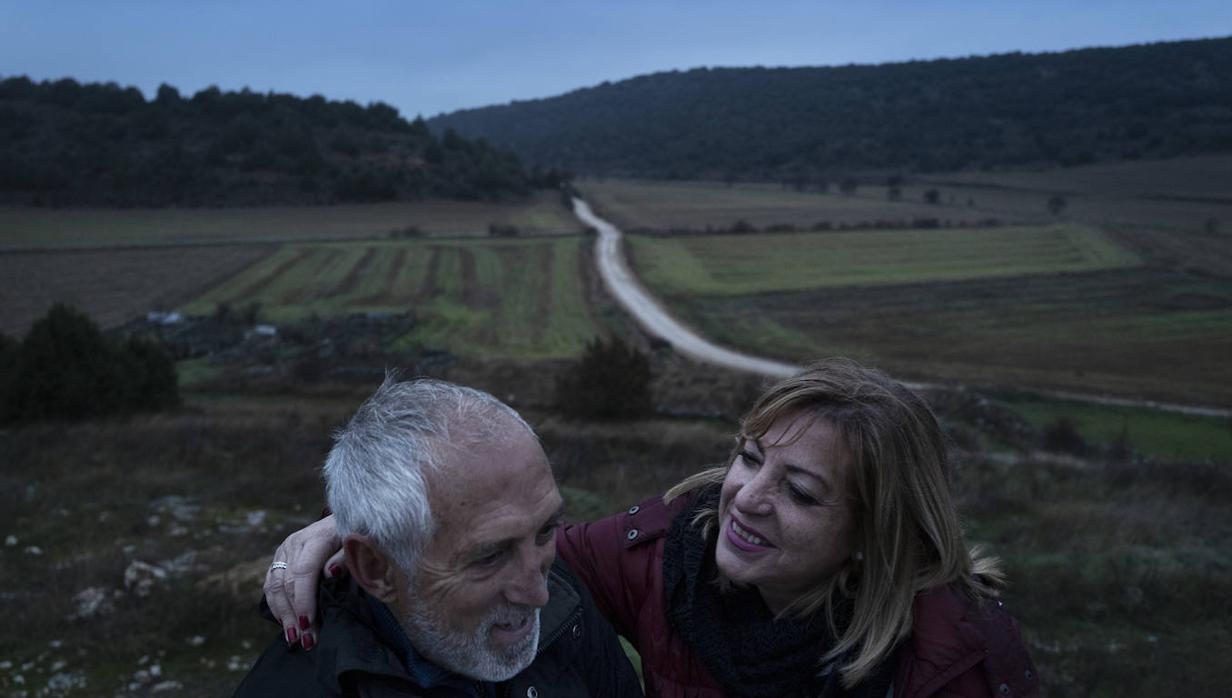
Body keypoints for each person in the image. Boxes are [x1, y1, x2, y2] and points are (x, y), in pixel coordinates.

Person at [265, 359, 1038, 697]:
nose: (745, 498)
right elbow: (494, 550)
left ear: (873, 534)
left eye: (799, 492)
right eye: (749, 456)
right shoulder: (668, 553)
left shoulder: (952, 654)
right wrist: (360, 525)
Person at [237, 377, 643, 697]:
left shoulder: (566, 606)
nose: (539, 593)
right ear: (375, 568)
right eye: (489, 557)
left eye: (545, 531)